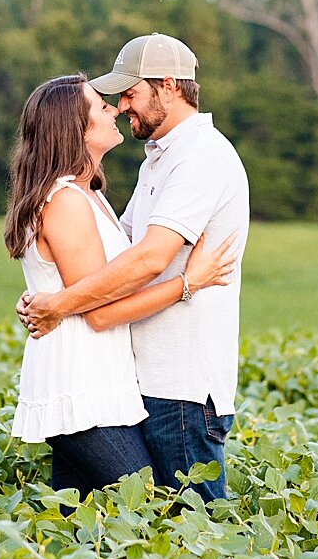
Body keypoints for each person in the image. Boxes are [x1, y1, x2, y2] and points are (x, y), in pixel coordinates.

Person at [18, 34, 251, 503]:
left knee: (188, 539)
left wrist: (56, 303)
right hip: (132, 384)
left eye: (130, 93)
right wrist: (48, 286)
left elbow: (148, 258)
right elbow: (115, 258)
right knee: (132, 529)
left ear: (168, 86)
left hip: (180, 385)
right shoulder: (154, 163)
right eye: (112, 100)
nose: (121, 106)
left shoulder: (199, 156)